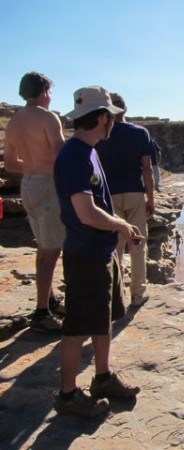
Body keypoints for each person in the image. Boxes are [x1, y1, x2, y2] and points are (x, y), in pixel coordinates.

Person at [53, 85, 144, 418]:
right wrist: (120, 225)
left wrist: (118, 225)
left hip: (100, 252)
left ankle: (102, 377)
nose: (113, 124)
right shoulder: (74, 155)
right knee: (77, 328)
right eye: (112, 119)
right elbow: (85, 212)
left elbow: (96, 207)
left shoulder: (88, 149)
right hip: (86, 255)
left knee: (102, 319)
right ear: (103, 118)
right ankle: (66, 396)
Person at [4, 72, 66, 333]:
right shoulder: (47, 117)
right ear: (43, 92)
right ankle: (41, 313)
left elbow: (9, 163)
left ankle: (49, 299)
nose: (50, 97)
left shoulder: (14, 121)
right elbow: (63, 156)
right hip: (48, 185)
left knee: (43, 245)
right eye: (50, 92)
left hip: (28, 184)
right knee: (51, 250)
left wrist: (31, 165)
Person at [96, 93, 154, 307]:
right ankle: (138, 294)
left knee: (115, 246)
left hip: (109, 196)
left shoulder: (100, 135)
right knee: (137, 243)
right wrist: (151, 198)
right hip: (135, 193)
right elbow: (147, 169)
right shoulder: (140, 133)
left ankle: (115, 294)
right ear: (125, 110)